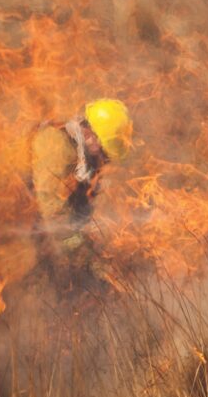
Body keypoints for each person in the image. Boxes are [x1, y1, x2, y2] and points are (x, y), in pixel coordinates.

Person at [30, 98, 132, 293]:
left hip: (46, 243)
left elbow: (78, 215)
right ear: (91, 136)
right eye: (104, 153)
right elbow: (55, 217)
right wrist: (92, 262)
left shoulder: (81, 156)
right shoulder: (56, 146)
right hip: (20, 246)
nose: (104, 161)